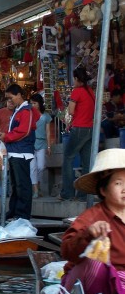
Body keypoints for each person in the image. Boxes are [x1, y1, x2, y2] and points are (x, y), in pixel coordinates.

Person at [61, 148, 125, 294]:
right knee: (96, 263)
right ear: (103, 190)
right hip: (85, 284)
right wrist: (88, 235)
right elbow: (66, 251)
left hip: (121, 282)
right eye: (118, 183)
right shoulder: (91, 216)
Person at [0, 84, 38, 220]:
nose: (10, 101)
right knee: (16, 185)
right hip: (15, 151)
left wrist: (6, 136)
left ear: (19, 95)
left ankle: (22, 214)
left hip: (21, 151)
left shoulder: (26, 111)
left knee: (22, 185)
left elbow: (24, 131)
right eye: (8, 99)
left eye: (11, 97)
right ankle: (14, 210)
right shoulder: (20, 110)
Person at [59, 67, 95, 201]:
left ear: (77, 79)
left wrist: (68, 109)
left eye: (73, 78)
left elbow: (71, 111)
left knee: (68, 158)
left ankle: (67, 193)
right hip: (90, 128)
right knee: (86, 163)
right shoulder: (91, 91)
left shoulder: (77, 91)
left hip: (79, 128)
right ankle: (83, 194)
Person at [30, 93, 52, 198]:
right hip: (31, 143)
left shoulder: (45, 115)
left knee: (41, 166)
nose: (32, 105)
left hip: (42, 143)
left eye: (34, 103)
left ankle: (37, 186)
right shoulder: (29, 114)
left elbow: (48, 132)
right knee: (33, 167)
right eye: (31, 103)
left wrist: (49, 146)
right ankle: (35, 190)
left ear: (39, 103)